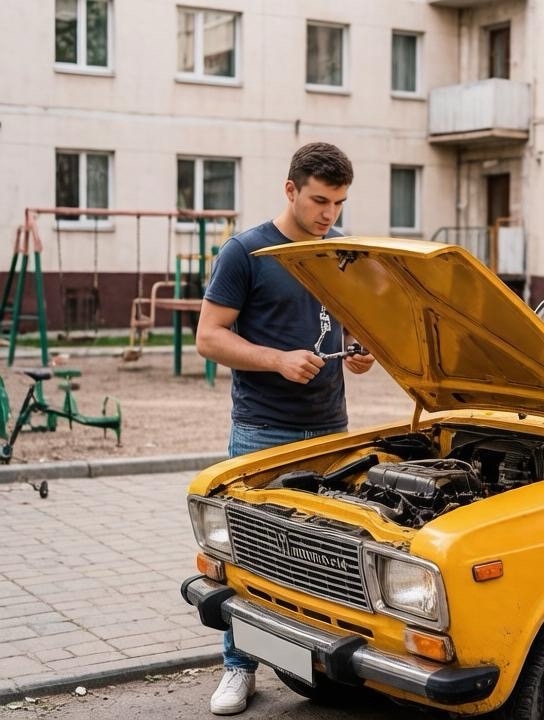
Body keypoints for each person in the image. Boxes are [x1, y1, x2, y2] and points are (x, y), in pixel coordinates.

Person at [195, 141, 375, 716]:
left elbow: (358, 324)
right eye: (320, 200)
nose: (329, 215)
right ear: (290, 189)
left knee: (327, 556)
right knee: (252, 556)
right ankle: (238, 668)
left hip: (331, 431)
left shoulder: (341, 251)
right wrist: (276, 359)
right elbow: (209, 337)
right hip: (262, 431)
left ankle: (322, 663)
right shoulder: (245, 252)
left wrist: (366, 352)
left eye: (339, 203)